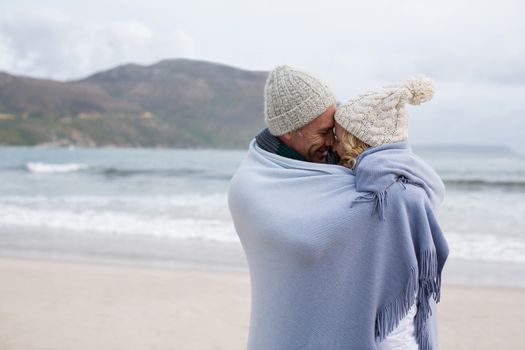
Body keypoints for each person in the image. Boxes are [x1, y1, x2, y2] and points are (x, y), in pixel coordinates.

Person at [228, 67, 448, 349]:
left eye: (335, 130)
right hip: (288, 326)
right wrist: (393, 201)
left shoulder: (330, 160)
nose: (334, 141)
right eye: (324, 132)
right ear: (289, 133)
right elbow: (310, 236)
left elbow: (389, 195)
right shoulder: (252, 185)